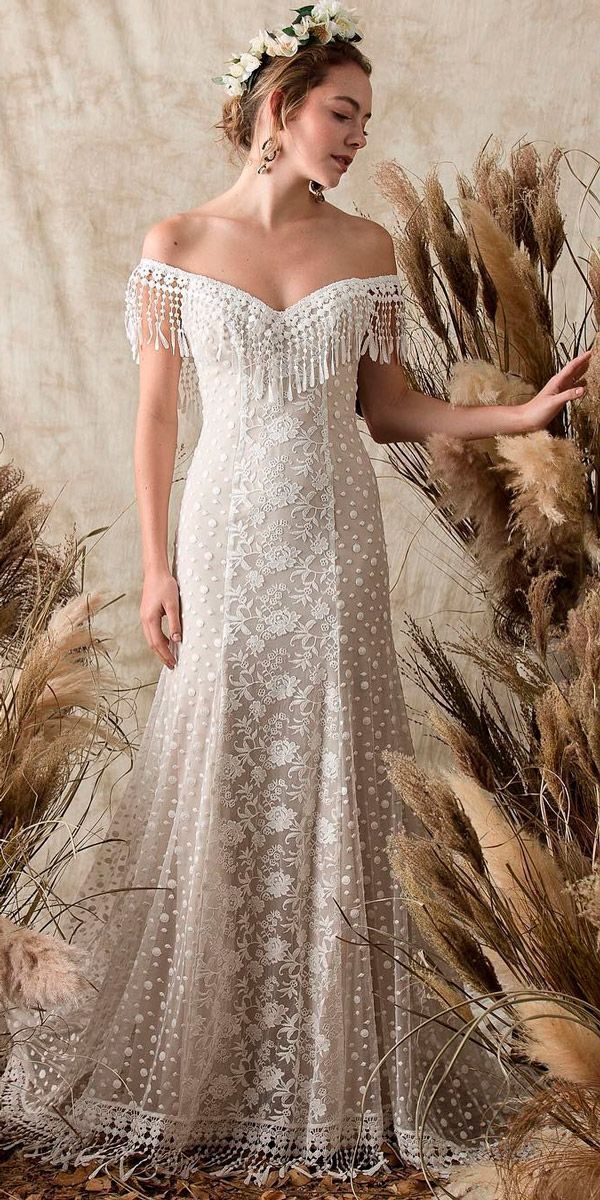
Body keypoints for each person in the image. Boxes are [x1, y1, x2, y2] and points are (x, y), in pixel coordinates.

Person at [0, 2, 590, 1188]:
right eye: (342, 112)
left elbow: (387, 411)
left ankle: (329, 1067)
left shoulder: (367, 248)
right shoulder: (176, 241)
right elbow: (158, 417)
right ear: (279, 109)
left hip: (332, 544)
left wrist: (512, 415)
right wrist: (160, 566)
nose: (358, 135)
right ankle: (203, 1061)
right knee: (221, 765)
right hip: (225, 538)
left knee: (332, 771)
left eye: (366, 118)